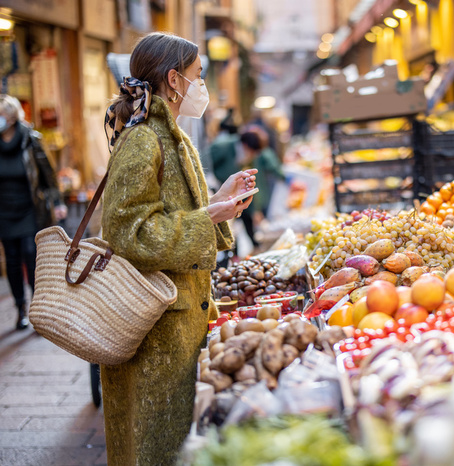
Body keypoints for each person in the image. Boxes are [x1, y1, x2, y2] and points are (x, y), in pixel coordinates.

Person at [100, 32, 257, 465]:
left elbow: (177, 213)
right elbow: (127, 232)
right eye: (198, 76)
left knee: (174, 442)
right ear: (174, 80)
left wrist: (217, 201)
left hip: (179, 322)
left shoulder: (176, 138)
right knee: (153, 445)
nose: (202, 86)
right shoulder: (141, 141)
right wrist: (208, 218)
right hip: (152, 330)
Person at [0, 94, 65, 330]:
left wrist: (58, 202)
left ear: (12, 116)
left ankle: (38, 311)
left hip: (30, 209)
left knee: (31, 255)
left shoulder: (30, 139)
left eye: (2, 114)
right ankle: (20, 309)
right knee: (13, 262)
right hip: (4, 214)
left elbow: (48, 174)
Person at [248, 125, 286, 223]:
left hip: (256, 194)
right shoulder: (264, 153)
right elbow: (275, 169)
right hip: (263, 192)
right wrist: (287, 177)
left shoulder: (251, 154)